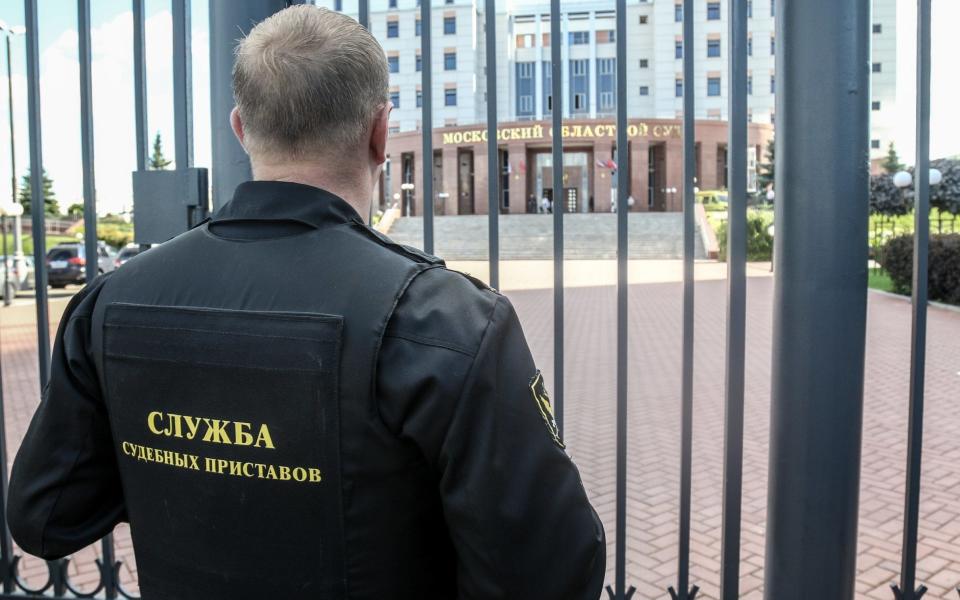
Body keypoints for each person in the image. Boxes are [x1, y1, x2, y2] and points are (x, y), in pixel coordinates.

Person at [6, 6, 604, 600]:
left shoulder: (111, 301)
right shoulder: (445, 321)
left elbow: (45, 517)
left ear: (241, 127)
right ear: (379, 132)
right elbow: (550, 572)